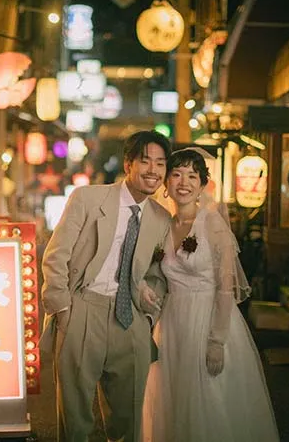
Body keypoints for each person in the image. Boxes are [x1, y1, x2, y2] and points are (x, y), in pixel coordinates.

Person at [40, 130, 172, 442]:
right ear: (128, 164)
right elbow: (56, 255)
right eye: (145, 161)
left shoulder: (161, 218)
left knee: (130, 418)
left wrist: (149, 317)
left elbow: (158, 274)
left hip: (132, 321)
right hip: (83, 310)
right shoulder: (88, 198)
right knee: (75, 418)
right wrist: (63, 309)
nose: (153, 170)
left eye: (160, 163)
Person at [142, 147, 279, 442]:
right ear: (166, 184)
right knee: (174, 396)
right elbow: (156, 277)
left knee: (209, 398)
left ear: (203, 184)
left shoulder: (213, 225)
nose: (183, 182)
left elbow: (225, 288)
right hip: (171, 324)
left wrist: (217, 340)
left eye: (192, 176)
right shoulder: (164, 226)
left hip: (208, 320)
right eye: (176, 174)